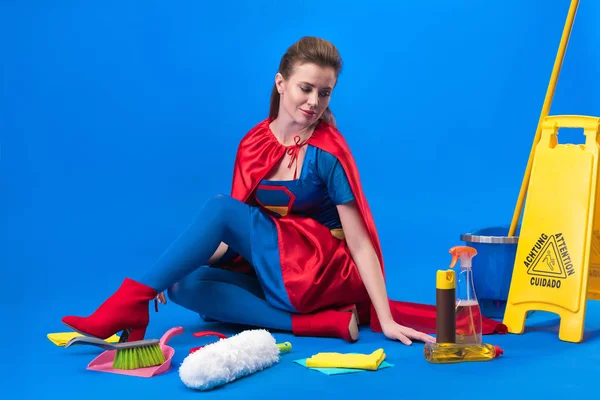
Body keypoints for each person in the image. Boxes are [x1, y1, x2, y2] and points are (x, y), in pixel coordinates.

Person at [62, 36, 506, 345]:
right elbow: (233, 236)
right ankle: (319, 326)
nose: (314, 102)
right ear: (281, 84)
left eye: (325, 93)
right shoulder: (254, 143)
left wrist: (385, 318)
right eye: (305, 88)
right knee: (183, 285)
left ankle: (127, 302)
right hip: (278, 272)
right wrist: (170, 272)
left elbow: (359, 241)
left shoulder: (328, 151)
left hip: (324, 271)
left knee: (218, 208)